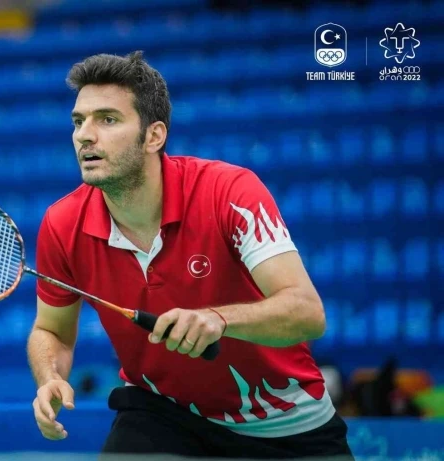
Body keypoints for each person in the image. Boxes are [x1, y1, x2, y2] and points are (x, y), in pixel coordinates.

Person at [26, 50, 353, 459]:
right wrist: (50, 377)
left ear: (154, 136)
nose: (84, 135)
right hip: (163, 412)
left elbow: (307, 312)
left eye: (107, 120)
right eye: (79, 121)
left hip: (287, 423)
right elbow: (52, 331)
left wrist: (219, 319)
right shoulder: (63, 224)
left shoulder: (228, 192)